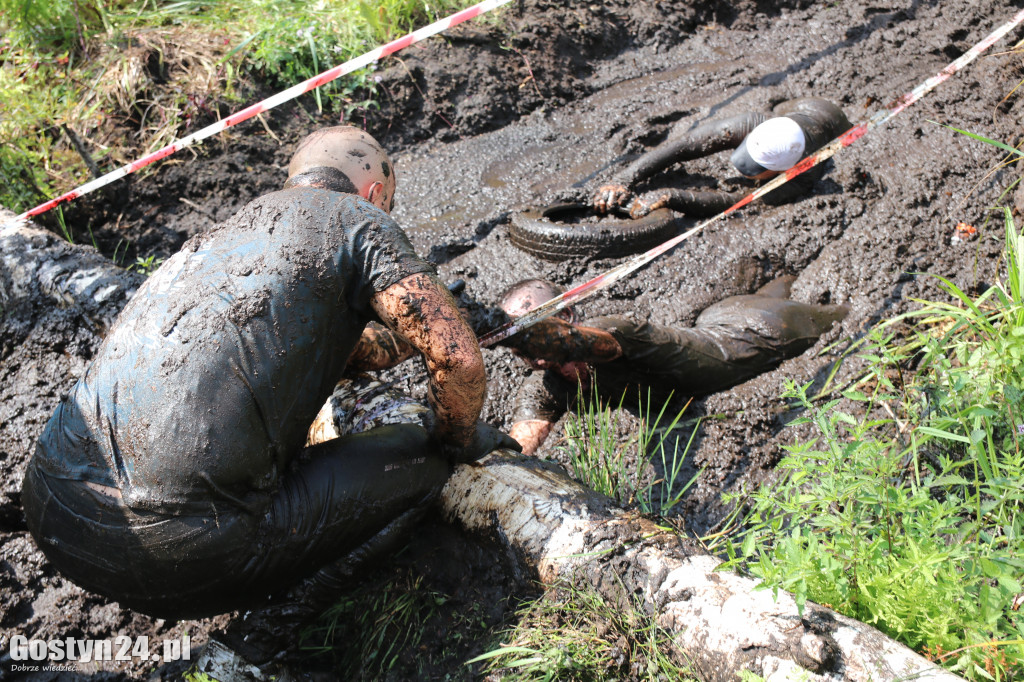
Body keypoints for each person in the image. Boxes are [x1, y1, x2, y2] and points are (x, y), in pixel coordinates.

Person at [20, 126, 518, 632]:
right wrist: (455, 437)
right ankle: (275, 629)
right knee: (426, 461)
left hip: (49, 509)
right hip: (171, 556)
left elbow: (320, 346)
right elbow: (460, 361)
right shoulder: (358, 220)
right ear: (375, 194)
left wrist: (405, 338)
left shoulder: (228, 232)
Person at [497, 277, 847, 454]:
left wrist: (495, 326)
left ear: (567, 316)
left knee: (849, 316)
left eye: (530, 336)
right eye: (518, 346)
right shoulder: (544, 385)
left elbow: (571, 343)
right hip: (719, 316)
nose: (534, 356)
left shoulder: (613, 332)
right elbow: (519, 444)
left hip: (762, 334)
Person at [592, 98, 851, 219]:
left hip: (832, 123)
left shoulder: (805, 173)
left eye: (757, 171)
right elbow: (684, 145)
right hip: (801, 107)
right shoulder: (753, 123)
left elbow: (744, 201)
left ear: (784, 170)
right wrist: (623, 179)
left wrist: (672, 197)